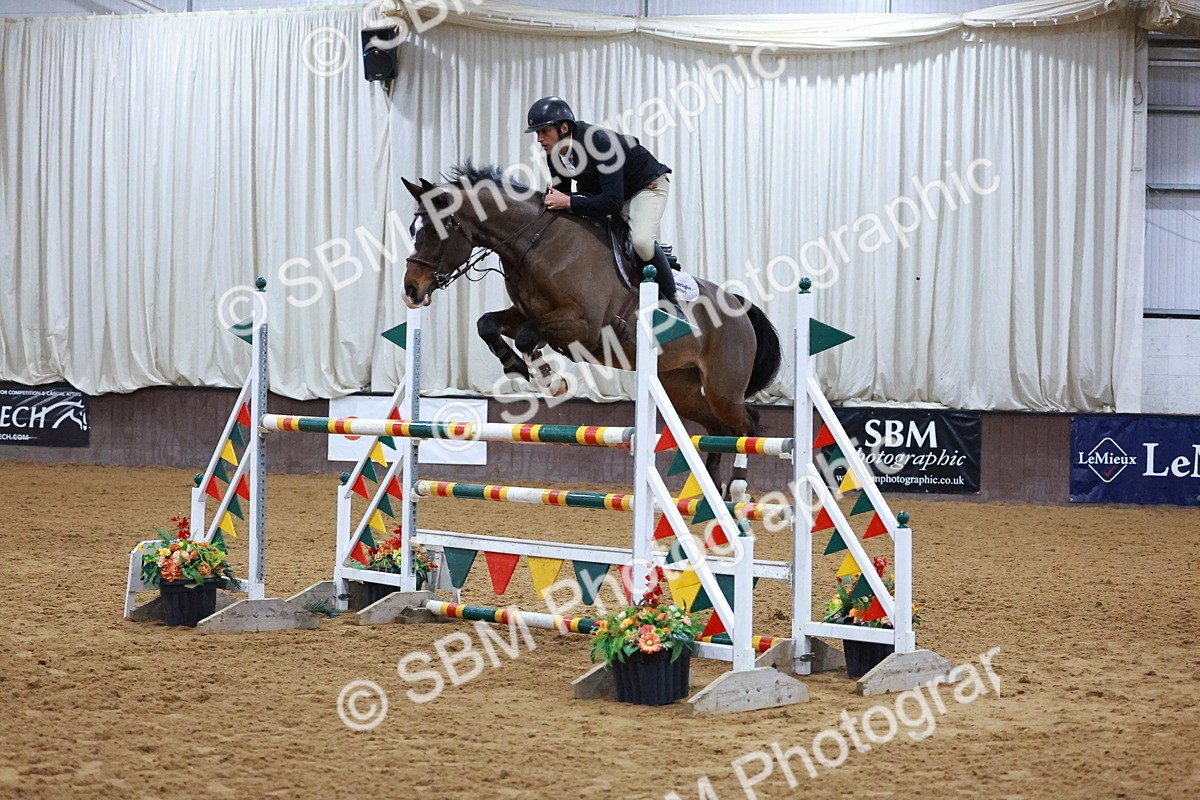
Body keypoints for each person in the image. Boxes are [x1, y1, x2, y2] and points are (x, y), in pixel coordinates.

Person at [525, 96, 682, 315]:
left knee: (642, 241)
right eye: (537, 133)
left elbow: (610, 202)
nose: (539, 139)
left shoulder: (599, 142)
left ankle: (674, 306)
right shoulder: (554, 156)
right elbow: (564, 199)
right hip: (611, 192)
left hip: (646, 186)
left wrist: (568, 201)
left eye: (544, 132)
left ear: (563, 128)